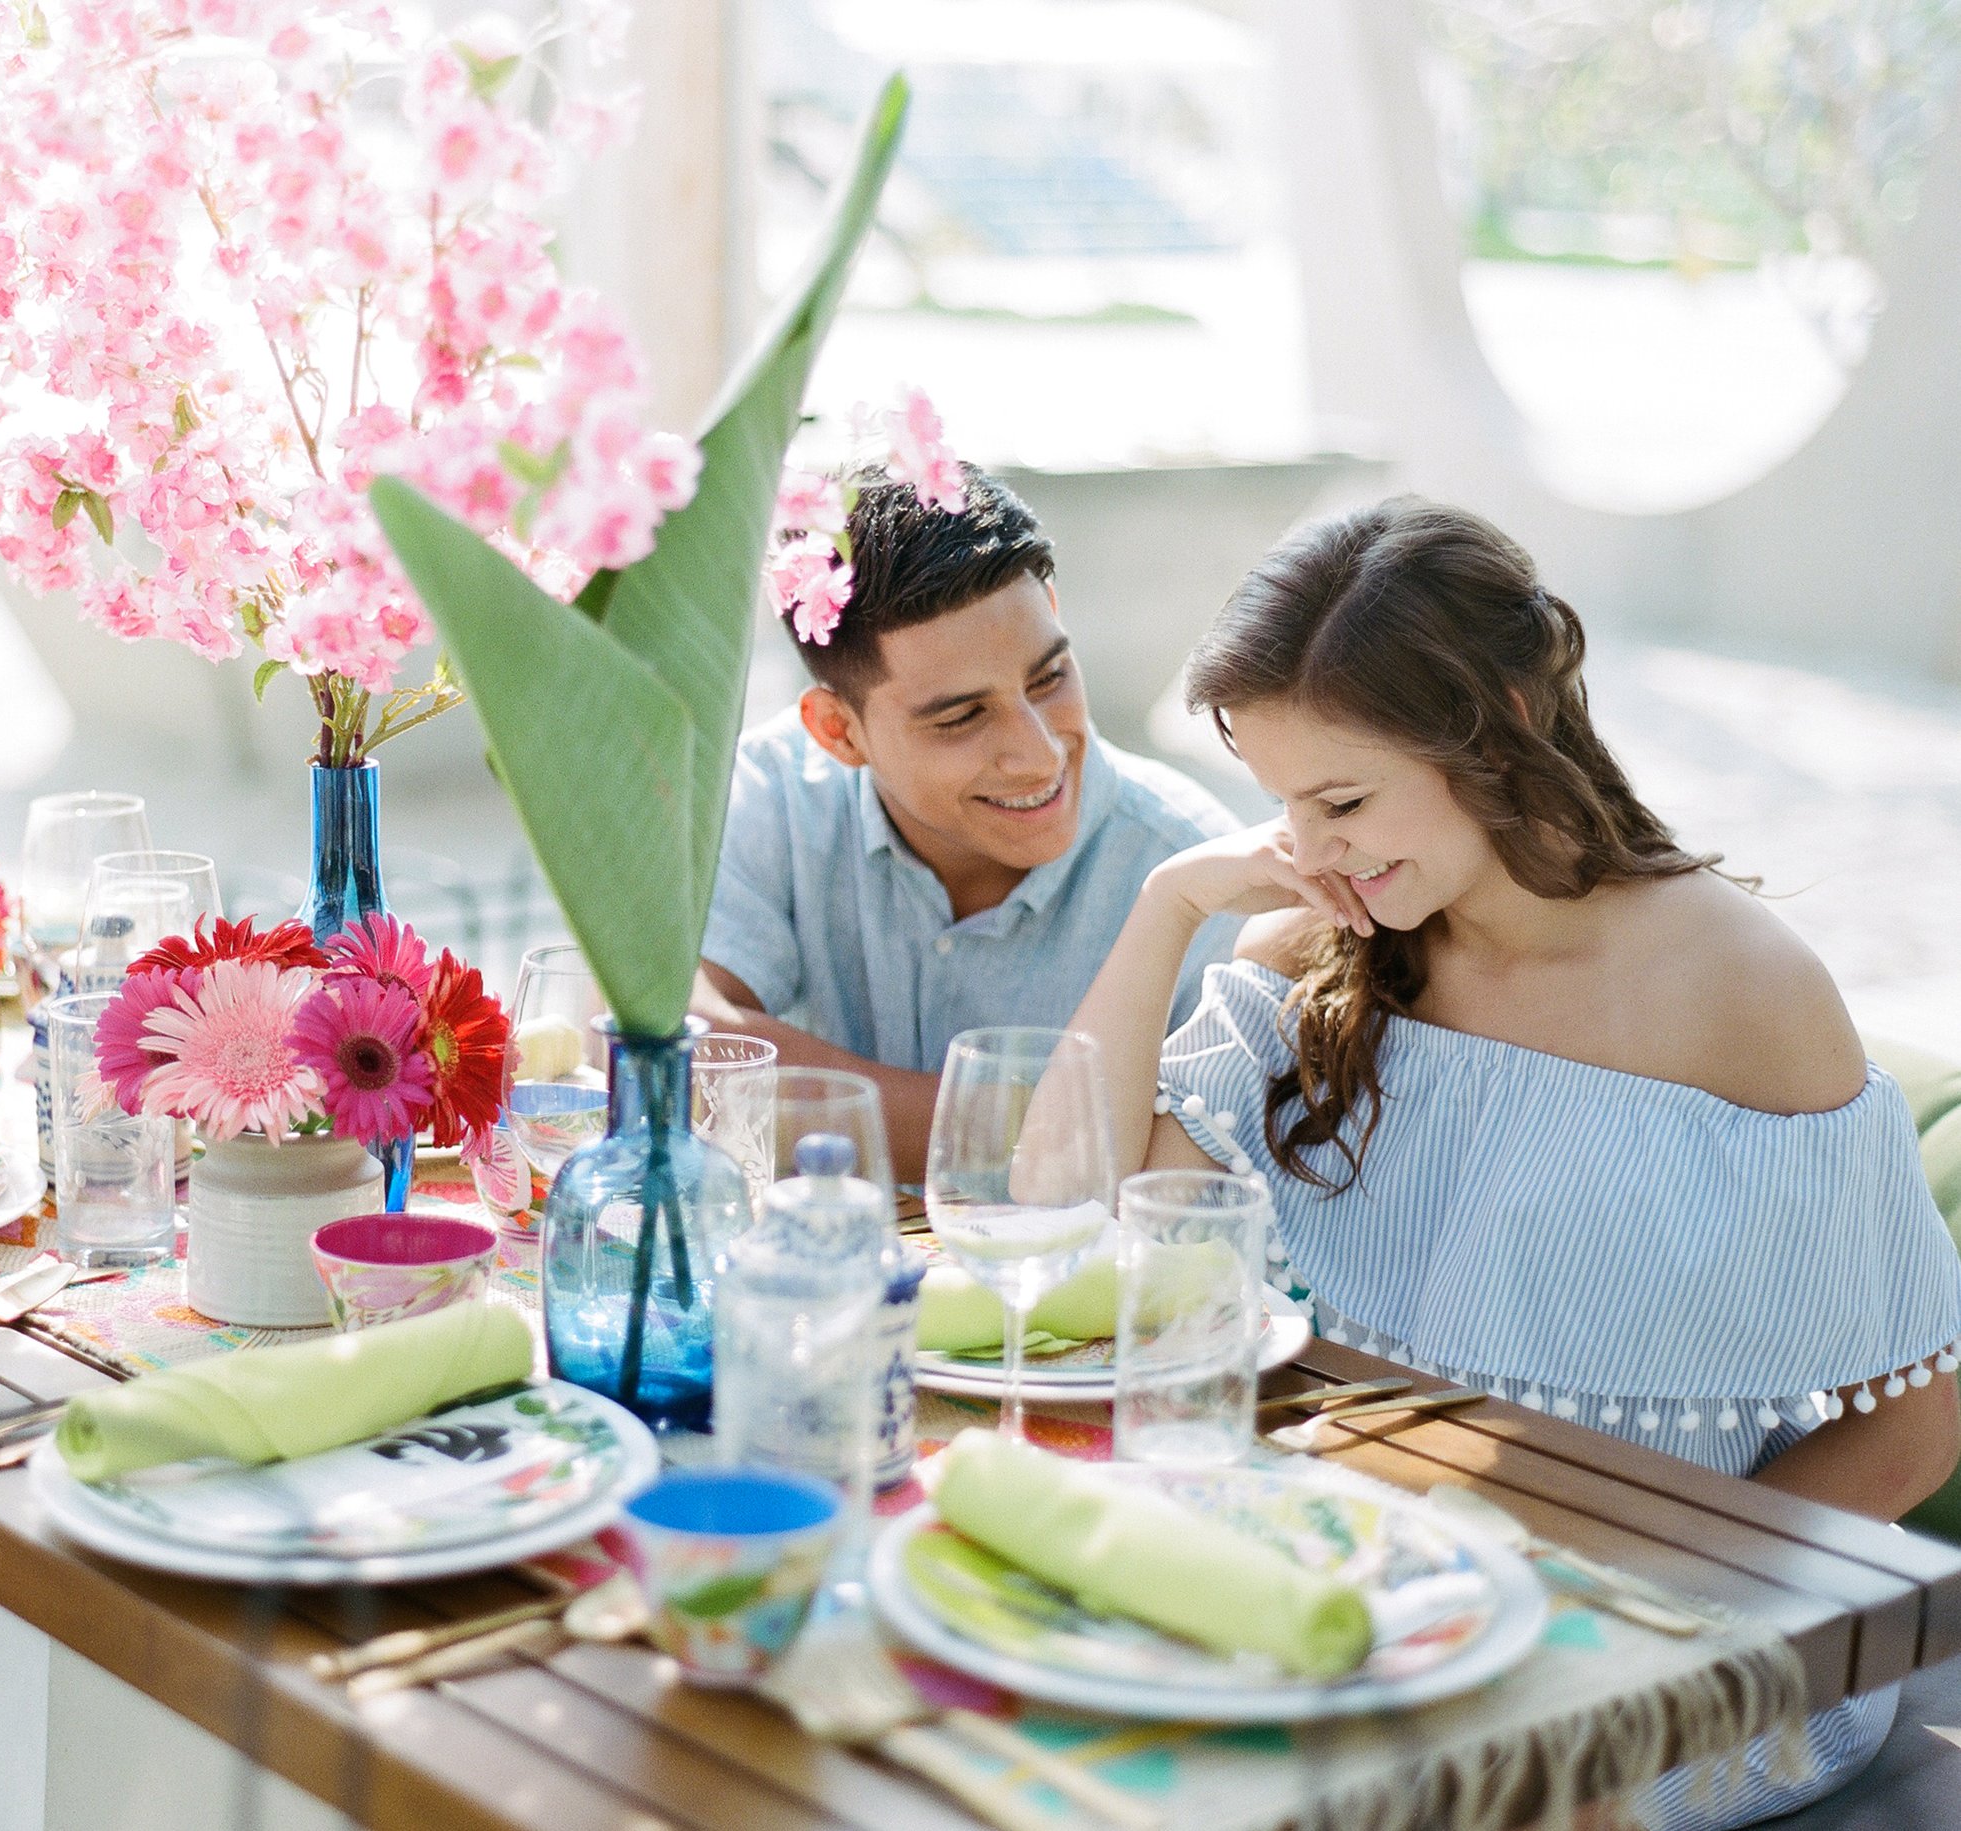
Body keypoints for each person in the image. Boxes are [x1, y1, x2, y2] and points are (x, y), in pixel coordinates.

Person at [1068, 496, 1961, 1827]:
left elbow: (1908, 1434)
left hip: (1677, 1625)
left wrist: (1593, 1622)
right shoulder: (1316, 946)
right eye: (1282, 803)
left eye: (1344, 797)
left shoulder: (1741, 989)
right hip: (1380, 1583)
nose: (1306, 849)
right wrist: (1168, 906)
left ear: (1504, 717)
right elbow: (1078, 1214)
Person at [697, 460, 1240, 1179]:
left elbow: (1183, 1185)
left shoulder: (1198, 877)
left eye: (1048, 678)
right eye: (962, 717)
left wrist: (800, 1101)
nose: (1038, 754)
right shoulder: (775, 793)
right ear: (838, 732)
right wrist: (1040, 1124)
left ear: (1053, 607)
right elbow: (665, 1046)